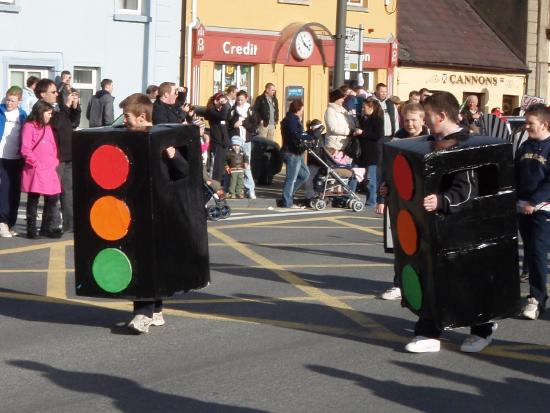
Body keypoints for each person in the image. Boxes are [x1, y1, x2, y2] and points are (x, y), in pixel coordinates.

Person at [403, 91, 497, 353]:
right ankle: (429, 331)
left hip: (463, 226)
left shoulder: (465, 145)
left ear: (442, 115)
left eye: (428, 117)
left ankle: (482, 329)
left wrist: (441, 201)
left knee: (467, 280)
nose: (424, 122)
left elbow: (467, 191)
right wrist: (393, 189)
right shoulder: (428, 141)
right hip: (431, 224)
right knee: (431, 277)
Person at [119, 93, 188, 333]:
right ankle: (155, 309)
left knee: (145, 260)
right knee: (144, 259)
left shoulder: (161, 139)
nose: (123, 121)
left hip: (158, 210)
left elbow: (184, 172)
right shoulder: (126, 137)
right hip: (132, 209)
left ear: (141, 117)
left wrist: (174, 156)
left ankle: (142, 313)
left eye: (126, 116)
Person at [378, 103, 429, 301]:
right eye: (407, 120)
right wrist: (383, 191)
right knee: (402, 246)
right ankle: (399, 284)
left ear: (422, 120)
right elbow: (387, 169)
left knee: (423, 246)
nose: (410, 124)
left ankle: (426, 284)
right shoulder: (396, 140)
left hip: (423, 201)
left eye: (414, 120)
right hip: (400, 201)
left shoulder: (430, 139)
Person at [516, 103, 550, 320]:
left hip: (542, 209)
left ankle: (537, 298)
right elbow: (515, 173)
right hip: (521, 206)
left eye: (531, 123)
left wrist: (534, 202)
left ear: (545, 124)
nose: (526, 127)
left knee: (537, 253)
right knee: (528, 251)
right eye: (526, 122)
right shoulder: (524, 146)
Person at [35, 78, 81, 233]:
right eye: (53, 92)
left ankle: (70, 225)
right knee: (53, 193)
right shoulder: (40, 108)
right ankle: (51, 226)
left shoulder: (57, 107)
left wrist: (75, 106)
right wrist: (66, 106)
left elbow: (72, 122)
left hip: (67, 154)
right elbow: (57, 124)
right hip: (55, 156)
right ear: (42, 94)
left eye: (56, 92)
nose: (56, 94)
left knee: (68, 192)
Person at [20, 101, 62, 239]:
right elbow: (25, 148)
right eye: (48, 113)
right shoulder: (29, 126)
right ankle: (31, 229)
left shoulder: (47, 127)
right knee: (34, 197)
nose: (50, 116)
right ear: (40, 111)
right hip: (36, 168)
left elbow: (53, 146)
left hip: (49, 167)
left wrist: (54, 161)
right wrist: (35, 163)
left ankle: (45, 227)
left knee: (52, 197)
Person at [0, 86, 27, 238]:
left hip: (16, 158)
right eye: (7, 99)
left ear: (19, 101)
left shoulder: (22, 115)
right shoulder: (0, 111)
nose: (9, 103)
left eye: (13, 101)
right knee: (4, 190)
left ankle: (10, 223)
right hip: (1, 156)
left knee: (14, 192)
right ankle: (2, 222)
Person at [228, 90, 259, 199]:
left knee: (246, 165)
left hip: (246, 140)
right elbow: (229, 123)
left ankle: (250, 189)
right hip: (236, 139)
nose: (240, 102)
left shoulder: (251, 110)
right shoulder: (233, 110)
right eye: (238, 100)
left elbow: (254, 126)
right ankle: (233, 190)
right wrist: (234, 123)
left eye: (242, 100)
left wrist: (243, 122)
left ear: (246, 99)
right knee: (234, 164)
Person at [280, 99, 309, 208]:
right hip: (292, 151)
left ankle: (289, 194)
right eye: (302, 109)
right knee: (291, 178)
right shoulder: (292, 120)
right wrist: (308, 136)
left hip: (297, 151)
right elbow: (296, 134)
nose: (303, 111)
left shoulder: (293, 119)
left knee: (305, 175)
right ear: (299, 109)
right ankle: (287, 201)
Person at [357, 97, 384, 208]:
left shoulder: (377, 119)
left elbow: (377, 136)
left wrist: (362, 133)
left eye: (364, 107)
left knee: (371, 178)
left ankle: (371, 201)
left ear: (371, 108)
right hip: (363, 153)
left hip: (372, 153)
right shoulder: (364, 118)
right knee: (359, 176)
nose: (362, 109)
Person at [324, 89, 361, 153]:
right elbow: (333, 128)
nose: (343, 100)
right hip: (334, 146)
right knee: (334, 163)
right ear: (336, 99)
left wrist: (355, 129)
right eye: (341, 98)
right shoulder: (330, 111)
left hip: (345, 144)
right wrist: (349, 131)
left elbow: (350, 123)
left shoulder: (343, 110)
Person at [205, 92, 230, 181]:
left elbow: (228, 117)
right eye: (221, 99)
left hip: (224, 142)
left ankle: (220, 187)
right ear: (216, 101)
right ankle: (213, 189)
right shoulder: (211, 111)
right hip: (217, 142)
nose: (224, 101)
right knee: (215, 167)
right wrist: (225, 105)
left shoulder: (224, 110)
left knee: (222, 167)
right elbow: (222, 117)